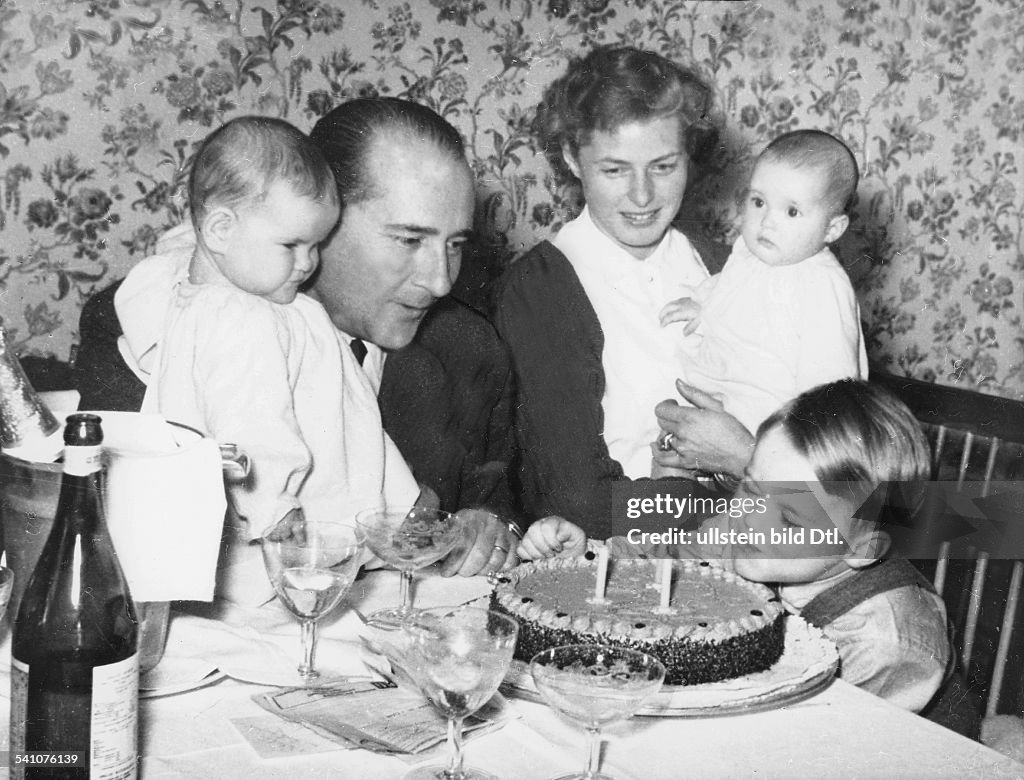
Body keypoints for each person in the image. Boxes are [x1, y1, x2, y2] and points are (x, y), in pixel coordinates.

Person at [74, 98, 519, 577]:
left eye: (454, 245)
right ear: (321, 223)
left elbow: (498, 509)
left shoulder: (468, 349)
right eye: (409, 240)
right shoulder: (149, 321)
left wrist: (491, 530)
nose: (440, 281)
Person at [519, 379, 980, 736]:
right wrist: (591, 558)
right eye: (753, 486)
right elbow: (663, 563)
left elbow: (833, 752)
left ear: (861, 548)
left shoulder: (886, 641)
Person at [494, 45, 743, 538]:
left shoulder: (735, 268)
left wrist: (745, 459)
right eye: (614, 169)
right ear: (571, 158)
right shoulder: (538, 291)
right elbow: (580, 506)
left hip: (772, 550)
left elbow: (849, 489)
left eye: (663, 165)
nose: (643, 196)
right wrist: (766, 498)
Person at [654, 129, 868, 446]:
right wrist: (702, 302)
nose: (767, 221)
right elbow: (729, 283)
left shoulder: (822, 286)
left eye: (791, 211)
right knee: (667, 445)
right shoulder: (749, 250)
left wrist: (797, 445)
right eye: (758, 202)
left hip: (770, 421)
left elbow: (830, 384)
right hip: (715, 394)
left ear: (832, 228)